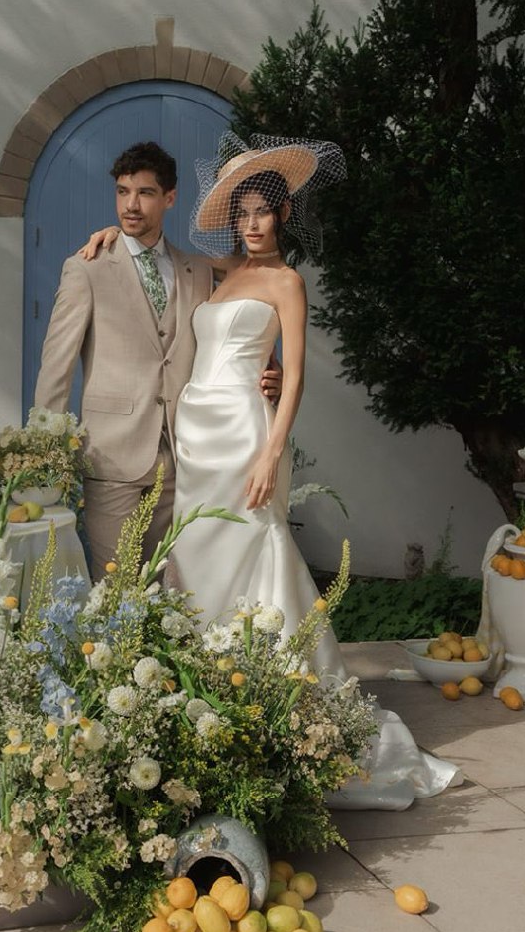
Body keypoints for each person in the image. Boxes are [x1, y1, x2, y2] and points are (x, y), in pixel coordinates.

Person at [83, 134, 460, 807]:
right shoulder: (218, 273)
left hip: (246, 437)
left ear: (285, 217)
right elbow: (155, 257)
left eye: (263, 212)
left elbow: (294, 379)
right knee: (196, 560)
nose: (252, 223)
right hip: (195, 436)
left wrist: (271, 452)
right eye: (243, 213)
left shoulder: (287, 282)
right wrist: (113, 231)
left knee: (257, 549)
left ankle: (285, 710)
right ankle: (207, 705)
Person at [33, 141, 281, 579]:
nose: (130, 205)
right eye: (122, 192)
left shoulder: (197, 271)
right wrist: (43, 451)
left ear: (169, 198)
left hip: (185, 457)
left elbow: (243, 309)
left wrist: (269, 365)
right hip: (112, 456)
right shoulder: (87, 267)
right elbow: (56, 365)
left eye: (145, 193)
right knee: (116, 587)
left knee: (170, 588)